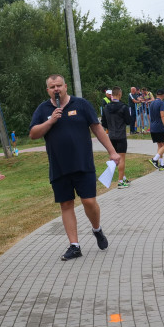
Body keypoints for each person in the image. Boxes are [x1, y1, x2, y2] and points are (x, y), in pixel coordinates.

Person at [29, 74, 121, 261]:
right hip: (59, 167)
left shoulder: (81, 104)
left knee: (89, 202)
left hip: (83, 164)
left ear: (66, 86)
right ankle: (74, 246)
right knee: (66, 204)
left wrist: (112, 151)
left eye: (59, 85)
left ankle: (97, 229)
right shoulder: (43, 109)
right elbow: (33, 134)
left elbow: (97, 129)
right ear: (47, 90)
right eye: (52, 86)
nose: (56, 89)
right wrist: (50, 121)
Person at [103, 86, 135, 188]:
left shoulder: (106, 108)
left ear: (112, 95)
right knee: (121, 159)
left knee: (114, 158)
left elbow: (104, 123)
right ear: (120, 94)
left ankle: (123, 177)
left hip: (111, 136)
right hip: (121, 135)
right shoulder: (123, 107)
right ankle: (120, 181)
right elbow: (128, 121)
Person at [147, 90, 164, 170]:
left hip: (153, 127)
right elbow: (163, 116)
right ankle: (154, 159)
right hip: (160, 127)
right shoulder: (161, 103)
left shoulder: (152, 103)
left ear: (156, 94)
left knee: (160, 145)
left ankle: (161, 163)